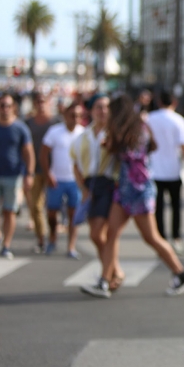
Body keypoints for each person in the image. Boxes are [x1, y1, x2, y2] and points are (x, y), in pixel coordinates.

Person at [81, 94, 184, 298]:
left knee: (151, 237)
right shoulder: (140, 127)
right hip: (127, 189)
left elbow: (123, 151)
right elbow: (150, 148)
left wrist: (110, 142)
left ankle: (181, 273)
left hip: (137, 190)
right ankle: (104, 281)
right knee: (112, 235)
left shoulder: (131, 132)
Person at [71, 94, 124, 290]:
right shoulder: (83, 136)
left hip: (109, 183)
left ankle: (109, 274)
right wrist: (83, 188)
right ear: (91, 111)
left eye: (106, 107)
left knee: (106, 232)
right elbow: (75, 164)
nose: (102, 111)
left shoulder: (114, 134)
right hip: (91, 183)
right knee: (95, 234)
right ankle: (113, 270)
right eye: (98, 107)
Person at [147, 90, 184, 255]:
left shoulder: (151, 119)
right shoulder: (179, 121)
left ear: (159, 102)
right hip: (173, 170)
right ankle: (176, 238)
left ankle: (161, 239)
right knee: (175, 207)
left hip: (154, 171)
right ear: (174, 103)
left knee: (158, 208)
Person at [0, 93, 35, 260]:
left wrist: (29, 174)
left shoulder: (20, 128)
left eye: (8, 105)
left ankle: (7, 245)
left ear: (13, 108)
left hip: (13, 175)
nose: (4, 108)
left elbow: (28, 152)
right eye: (2, 105)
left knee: (9, 211)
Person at [40, 103, 85, 258]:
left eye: (78, 115)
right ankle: (52, 239)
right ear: (65, 115)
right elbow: (44, 154)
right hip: (57, 179)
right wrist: (48, 174)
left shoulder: (83, 133)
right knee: (52, 213)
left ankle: (71, 246)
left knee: (74, 214)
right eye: (72, 115)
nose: (75, 119)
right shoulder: (55, 131)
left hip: (75, 181)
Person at [25, 92, 59, 253]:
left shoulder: (56, 122)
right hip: (35, 170)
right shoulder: (28, 123)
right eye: (38, 101)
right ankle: (41, 239)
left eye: (43, 101)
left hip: (54, 170)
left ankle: (53, 238)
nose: (41, 104)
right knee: (36, 206)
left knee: (53, 207)